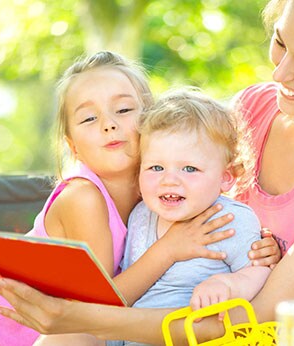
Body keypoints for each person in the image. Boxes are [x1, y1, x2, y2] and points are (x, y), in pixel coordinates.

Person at [0, 0, 294, 344]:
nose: (280, 72)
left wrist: (90, 317)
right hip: (182, 320)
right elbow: (164, 172)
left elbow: (253, 320)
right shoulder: (255, 108)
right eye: (280, 42)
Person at [0, 51, 246, 345]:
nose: (108, 124)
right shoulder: (83, 198)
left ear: (152, 121)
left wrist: (259, 246)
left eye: (123, 110)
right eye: (89, 118)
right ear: (73, 146)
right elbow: (98, 311)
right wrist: (168, 249)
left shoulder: (159, 193)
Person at [115, 89, 270, 346]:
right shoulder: (140, 215)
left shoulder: (229, 219)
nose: (169, 180)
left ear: (226, 176)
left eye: (190, 168)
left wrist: (228, 285)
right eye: (156, 167)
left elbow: (260, 273)